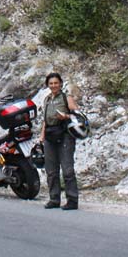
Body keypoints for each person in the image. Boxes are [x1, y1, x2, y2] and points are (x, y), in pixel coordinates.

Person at [40, 72, 79, 211]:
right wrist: (42, 136)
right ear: (48, 85)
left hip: (65, 135)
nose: (53, 85)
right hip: (50, 136)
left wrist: (65, 116)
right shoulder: (46, 100)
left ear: (60, 84)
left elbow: (77, 114)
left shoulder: (66, 98)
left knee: (67, 169)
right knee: (51, 170)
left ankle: (72, 200)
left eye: (56, 83)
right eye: (51, 83)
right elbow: (45, 120)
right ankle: (54, 199)